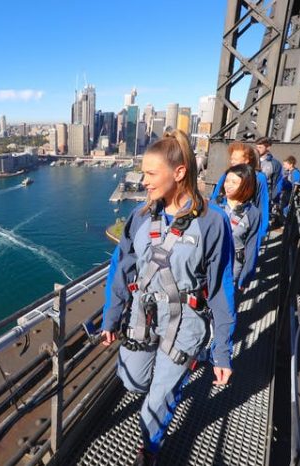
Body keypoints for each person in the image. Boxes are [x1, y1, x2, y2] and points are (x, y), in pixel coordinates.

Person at [101, 130, 236, 466]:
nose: (144, 181)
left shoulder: (212, 222)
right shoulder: (142, 217)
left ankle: (149, 450)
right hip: (143, 315)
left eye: (150, 173)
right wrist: (111, 315)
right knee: (132, 381)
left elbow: (221, 287)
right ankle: (165, 387)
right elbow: (122, 268)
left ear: (178, 173)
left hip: (185, 322)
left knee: (157, 398)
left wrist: (222, 351)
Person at [212, 164, 261, 293]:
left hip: (232, 268)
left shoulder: (253, 213)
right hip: (209, 265)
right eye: (226, 181)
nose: (228, 185)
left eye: (234, 182)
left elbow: (252, 246)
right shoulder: (213, 205)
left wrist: (246, 275)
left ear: (246, 185)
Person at [212, 141, 269, 248]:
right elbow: (216, 196)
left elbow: (263, 203)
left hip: (244, 224)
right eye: (231, 158)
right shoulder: (227, 174)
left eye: (235, 159)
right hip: (223, 219)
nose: (232, 162)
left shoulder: (259, 178)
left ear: (247, 160)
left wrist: (261, 231)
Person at [255, 137, 283, 205]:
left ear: (268, 148)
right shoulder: (250, 161)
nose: (257, 150)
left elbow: (277, 183)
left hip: (264, 199)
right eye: (257, 147)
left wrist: (272, 199)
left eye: (260, 147)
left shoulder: (275, 164)